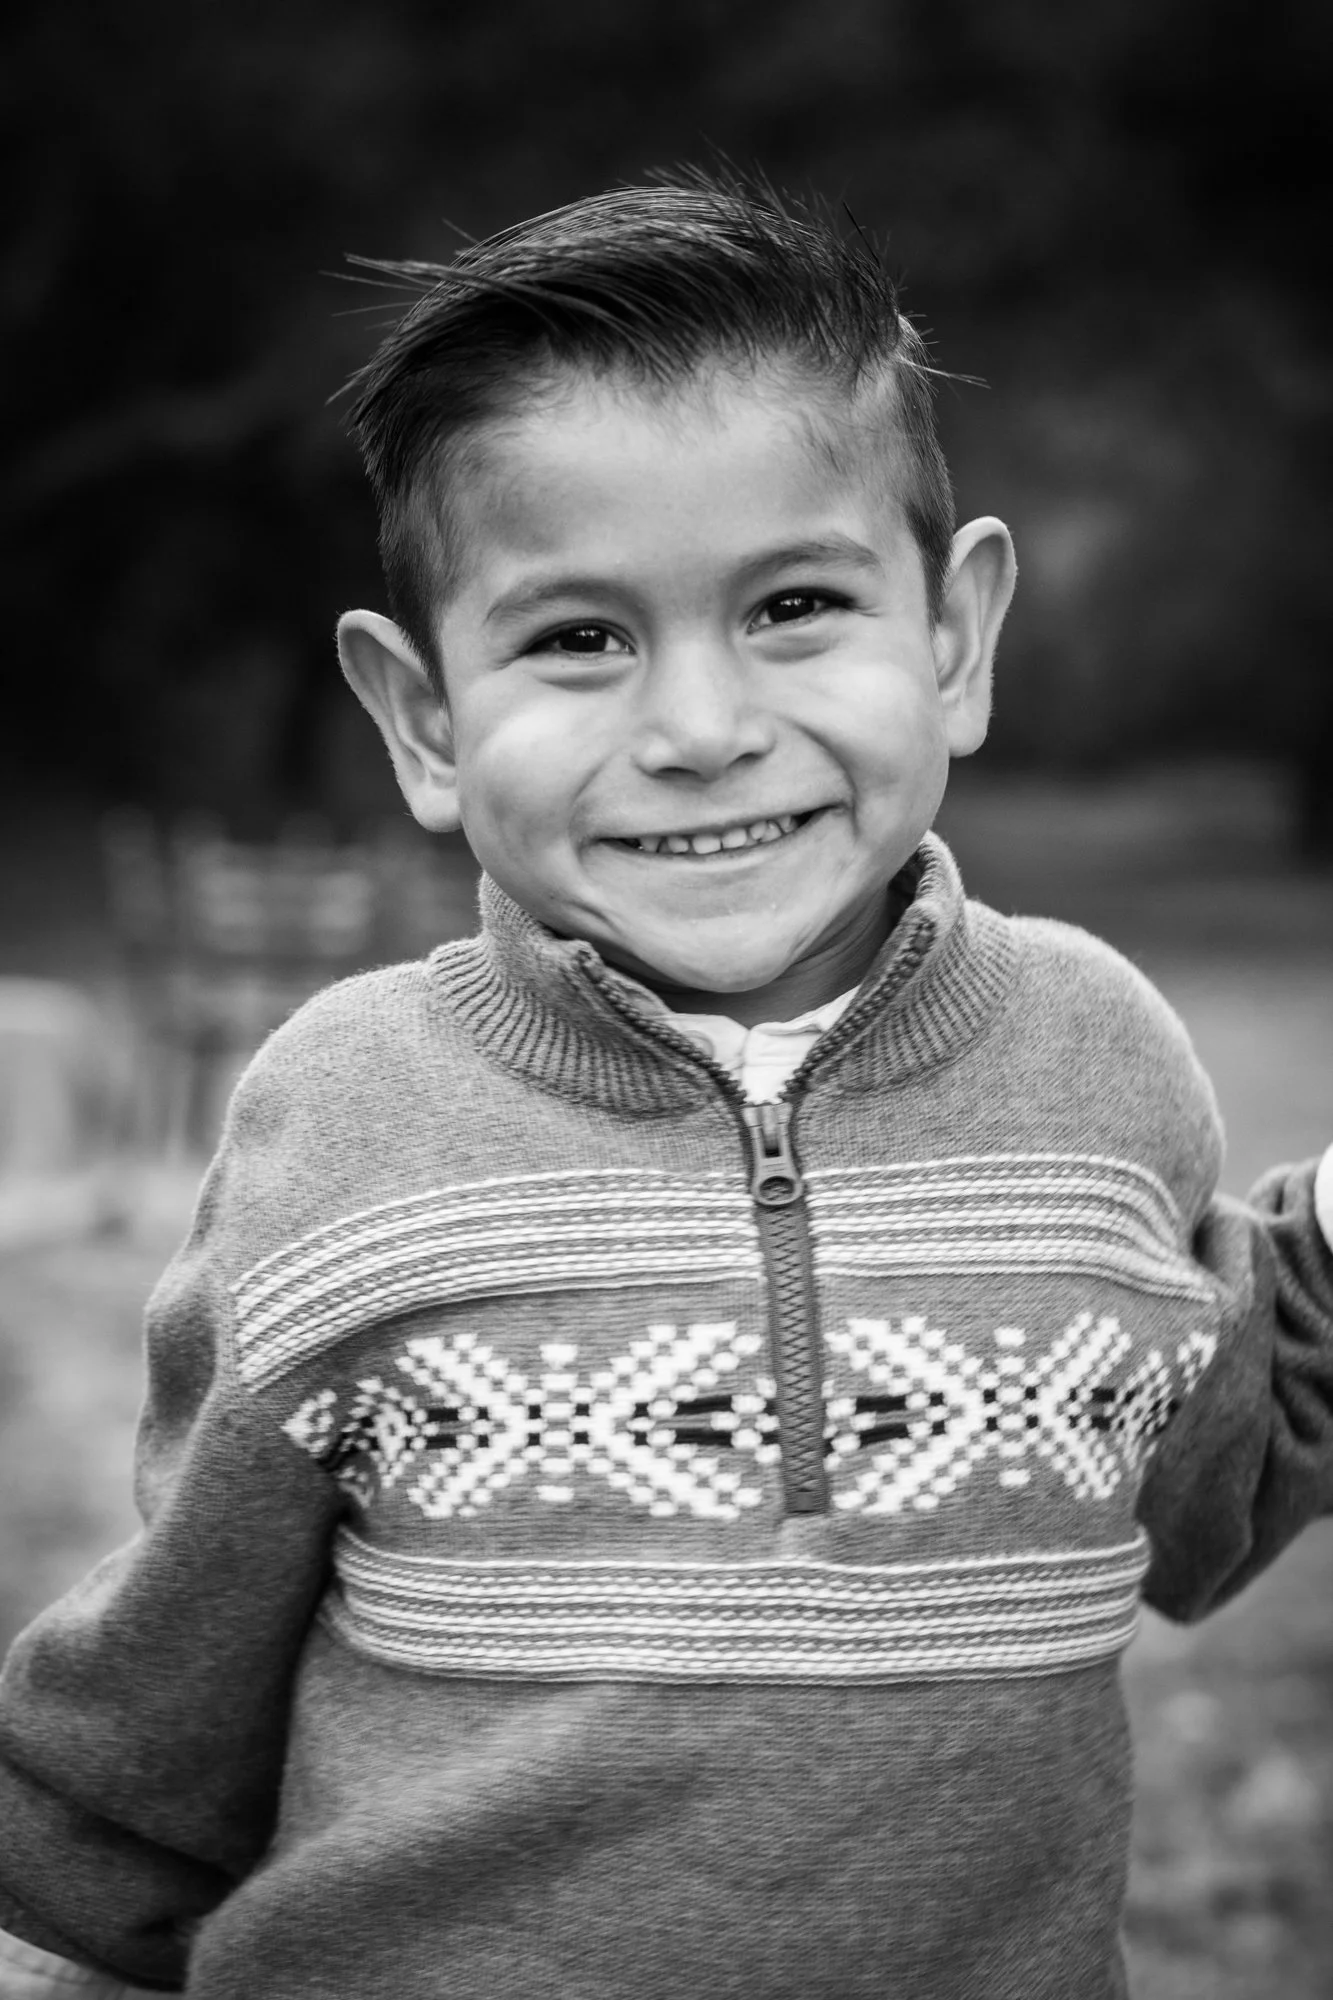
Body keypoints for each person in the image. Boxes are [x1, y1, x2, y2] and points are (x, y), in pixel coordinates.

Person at [1, 171, 1330, 2000]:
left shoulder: (1098, 1059)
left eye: (794, 604)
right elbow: (172, 1681)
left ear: (954, 642)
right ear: (423, 723)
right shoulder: (349, 1116)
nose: (701, 730)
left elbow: (1189, 1487)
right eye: (577, 638)